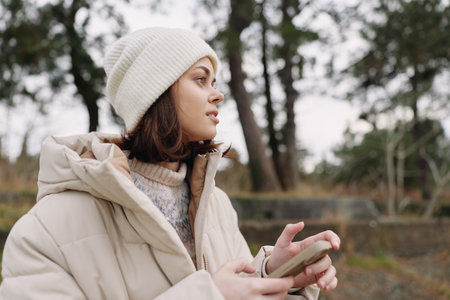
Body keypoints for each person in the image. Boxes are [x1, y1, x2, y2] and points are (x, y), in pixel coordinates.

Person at [0, 27, 340, 299]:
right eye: (200, 79)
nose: (217, 93)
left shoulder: (217, 205)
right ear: (155, 92)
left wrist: (277, 276)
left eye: (215, 81)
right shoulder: (45, 230)